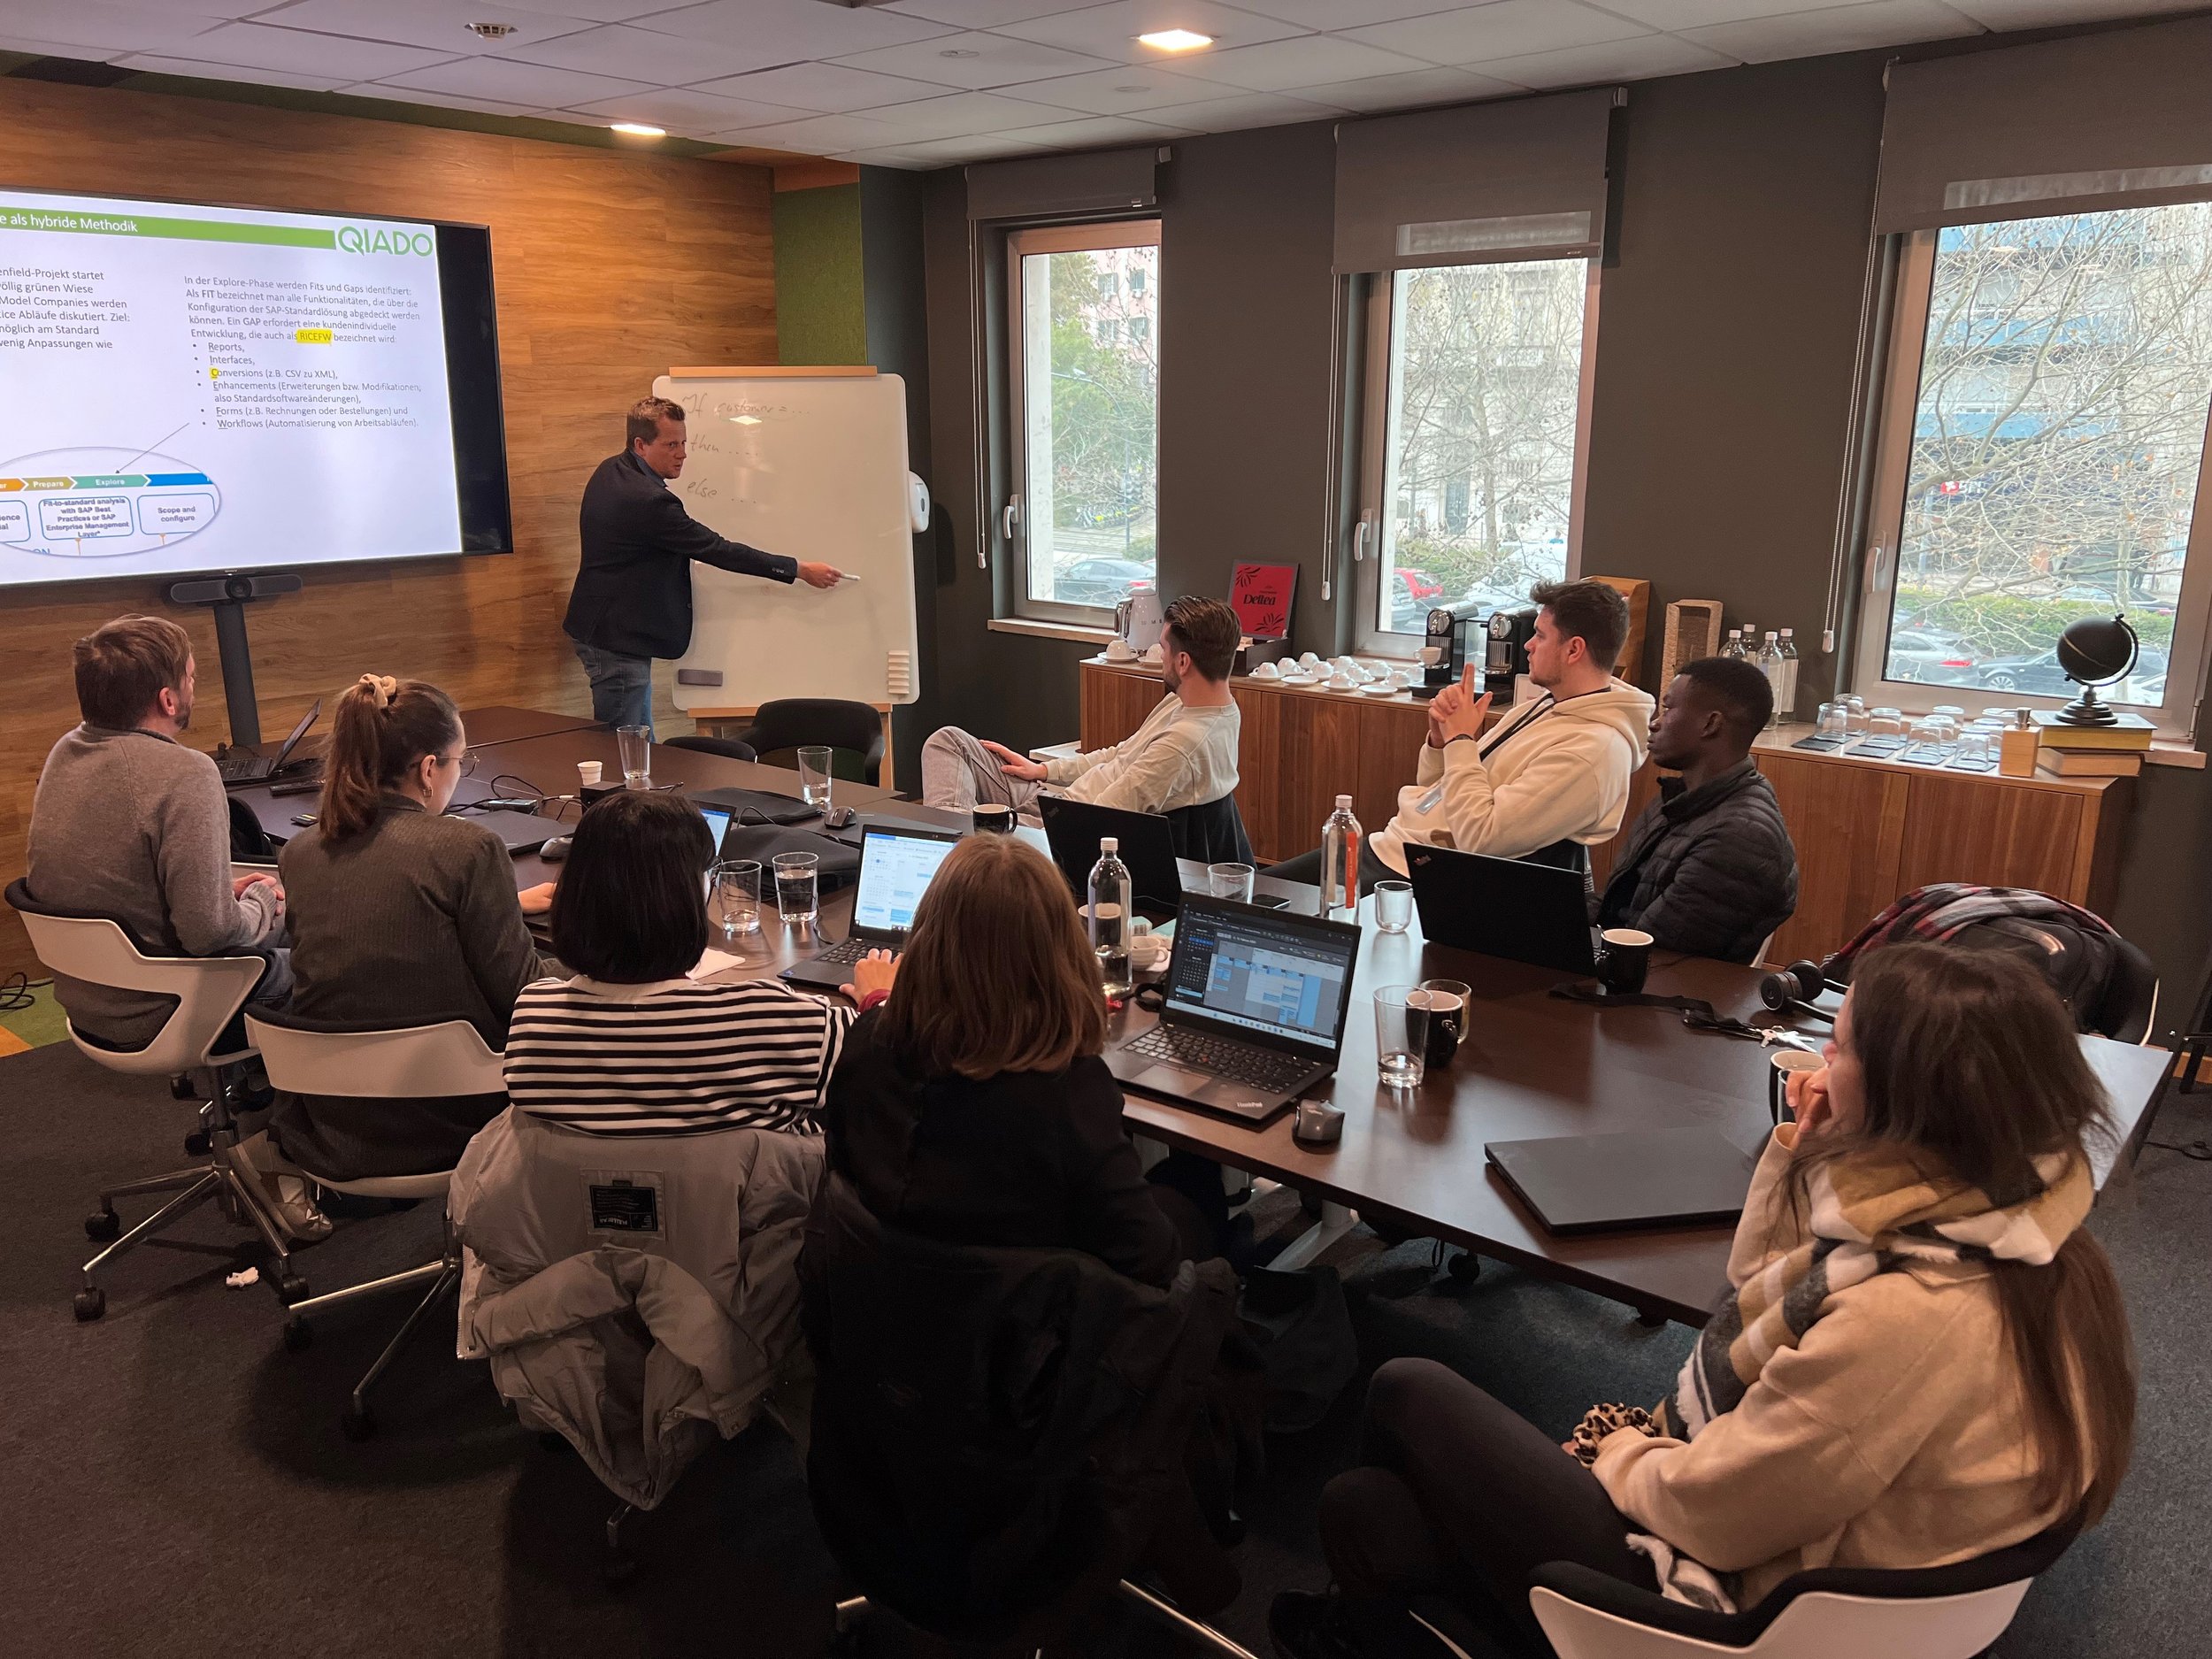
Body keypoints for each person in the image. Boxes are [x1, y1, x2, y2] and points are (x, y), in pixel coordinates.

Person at [1270, 942, 2135, 1659]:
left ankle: (1365, 1622)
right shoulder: (2008, 1232)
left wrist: (1618, 1451)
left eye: (1839, 1052)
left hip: (1738, 1607)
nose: (1818, 1068)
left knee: (1406, 1389)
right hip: (1817, 1551)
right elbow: (1756, 1294)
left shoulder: (1911, 1319)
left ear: (1907, 1101)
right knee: (1367, 1509)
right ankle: (1367, 1620)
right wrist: (1806, 1147)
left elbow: (1717, 1517)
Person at [822, 832, 1217, 1282]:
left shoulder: (870, 1041)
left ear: (927, 939)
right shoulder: (1069, 1093)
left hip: (885, 1304)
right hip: (1040, 1318)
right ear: (1060, 954)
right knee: (1194, 1188)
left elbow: (842, 1171)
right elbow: (1152, 1262)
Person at [269, 675, 557, 1184]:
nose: (459, 773)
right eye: (460, 761)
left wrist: (500, 906)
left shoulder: (300, 852)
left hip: (331, 1118)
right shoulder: (471, 849)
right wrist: (586, 968)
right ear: (428, 769)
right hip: (451, 1111)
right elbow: (524, 996)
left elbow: (384, 916)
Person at [502, 789, 889, 1136]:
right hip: (759, 1196)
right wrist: (879, 996)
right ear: (688, 894)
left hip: (576, 1197)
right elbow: (899, 1053)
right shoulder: (778, 1021)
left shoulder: (532, 1020)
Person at [1275, 580, 1653, 894]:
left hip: (1421, 875)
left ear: (1574, 649)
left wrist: (1460, 741)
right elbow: (1437, 789)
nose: (1528, 644)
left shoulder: (1593, 750)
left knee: (1261, 905)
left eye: (1540, 635)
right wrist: (1441, 740)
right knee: (1258, 890)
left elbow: (1482, 837)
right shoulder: (1550, 705)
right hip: (1395, 847)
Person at [25, 614, 290, 1049]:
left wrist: (219, 893)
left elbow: (121, 880)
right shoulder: (186, 773)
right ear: (168, 700)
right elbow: (211, 935)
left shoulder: (66, 752)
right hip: (170, 1003)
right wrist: (261, 899)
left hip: (91, 997)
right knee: (339, 958)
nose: (193, 688)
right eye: (191, 678)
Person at [564, 395, 844, 734]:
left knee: (638, 739)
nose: (682, 453)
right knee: (624, 745)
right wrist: (798, 569)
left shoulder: (612, 469)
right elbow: (717, 549)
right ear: (640, 445)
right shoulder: (648, 501)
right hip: (615, 639)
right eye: (671, 445)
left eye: (684, 442)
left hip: (608, 628)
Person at [919, 595, 1243, 820]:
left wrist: (1020, 828)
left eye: (1163, 649)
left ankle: (956, 850)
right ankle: (958, 841)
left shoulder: (1182, 745)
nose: (1160, 658)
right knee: (948, 741)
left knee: (967, 825)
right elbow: (1119, 754)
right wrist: (1046, 771)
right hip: (1058, 797)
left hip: (1059, 823)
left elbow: (1100, 817)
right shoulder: (1193, 704)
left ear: (1183, 662)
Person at [1595, 656, 1798, 964]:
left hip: (1659, 986)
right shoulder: (1681, 798)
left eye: (1668, 709)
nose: (1655, 722)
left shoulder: (1739, 838)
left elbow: (1656, 956)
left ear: (1710, 724)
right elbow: (1617, 908)